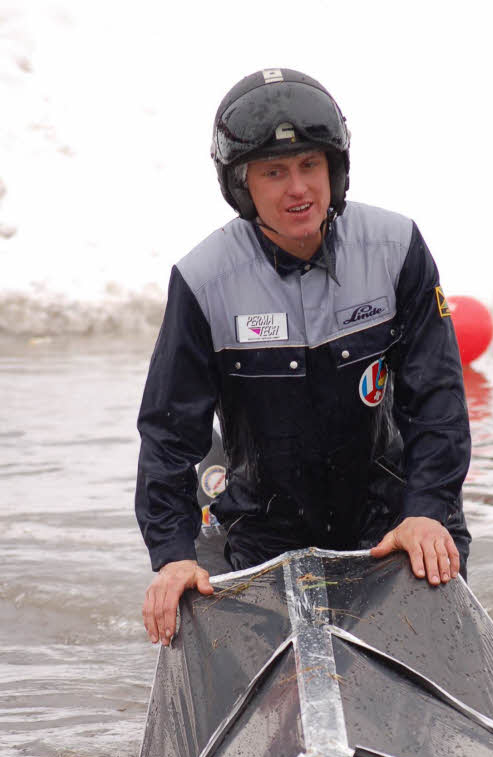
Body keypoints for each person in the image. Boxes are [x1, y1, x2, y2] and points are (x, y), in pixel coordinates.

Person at [136, 68, 471, 646]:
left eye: (310, 166)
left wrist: (429, 510)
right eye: (274, 172)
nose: (299, 189)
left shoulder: (396, 247)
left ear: (334, 170)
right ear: (243, 185)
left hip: (394, 522)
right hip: (266, 531)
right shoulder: (202, 279)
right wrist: (172, 555)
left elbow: (436, 399)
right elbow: (169, 433)